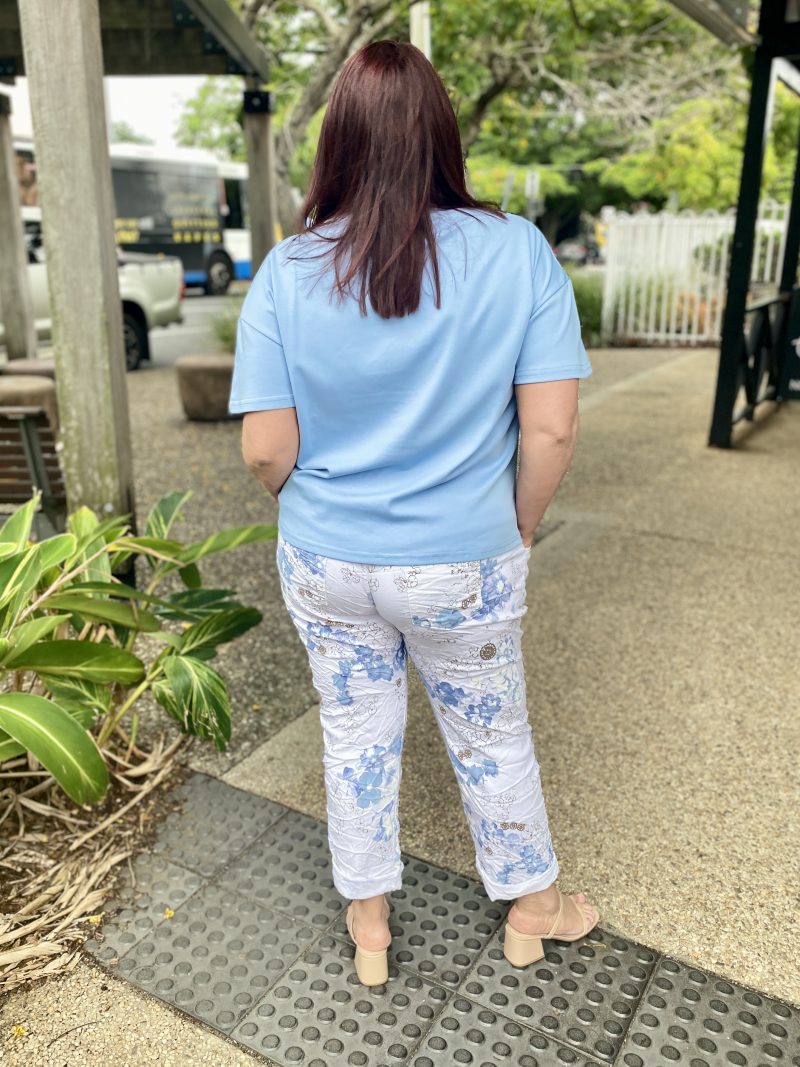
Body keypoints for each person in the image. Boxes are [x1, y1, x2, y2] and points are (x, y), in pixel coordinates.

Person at [229, 39, 600, 987]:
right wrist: (517, 522)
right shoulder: (518, 252)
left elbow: (266, 449)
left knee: (354, 732)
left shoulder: (287, 270)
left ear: (338, 142)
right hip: (462, 560)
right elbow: (551, 431)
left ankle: (369, 925)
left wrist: (313, 509)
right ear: (441, 132)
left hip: (327, 560)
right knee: (492, 731)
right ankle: (533, 908)